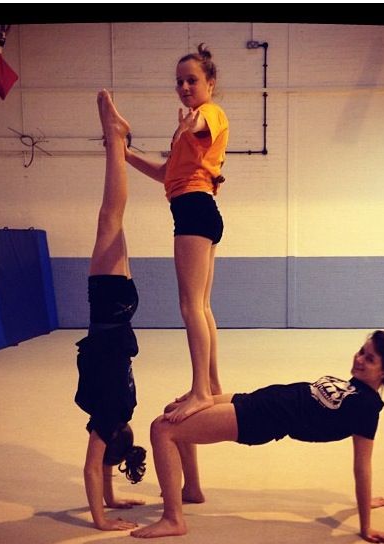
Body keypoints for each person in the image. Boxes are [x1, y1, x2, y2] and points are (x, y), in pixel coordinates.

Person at [130, 330, 384, 544]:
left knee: (163, 428)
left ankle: (173, 519)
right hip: (258, 400)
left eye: (369, 358)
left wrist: (366, 525)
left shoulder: (366, 408)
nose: (359, 359)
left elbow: (362, 466)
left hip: (261, 420)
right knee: (174, 409)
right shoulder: (355, 386)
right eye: (361, 351)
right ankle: (191, 489)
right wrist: (363, 501)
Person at [125, 44, 229, 424]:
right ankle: (211, 383)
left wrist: (192, 122)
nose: (184, 87)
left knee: (190, 307)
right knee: (200, 307)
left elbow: (204, 124)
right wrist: (126, 153)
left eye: (192, 80)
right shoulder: (185, 129)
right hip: (197, 209)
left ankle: (202, 390)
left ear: (210, 83)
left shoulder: (209, 114)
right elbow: (166, 174)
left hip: (194, 210)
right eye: (180, 82)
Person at [74, 89, 146, 531]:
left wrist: (114, 497)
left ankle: (115, 143)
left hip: (122, 312)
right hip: (107, 309)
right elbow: (90, 469)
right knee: (111, 214)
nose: (98, 457)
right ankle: (114, 139)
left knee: (116, 220)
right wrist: (101, 521)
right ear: (109, 438)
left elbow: (100, 467)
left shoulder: (122, 410)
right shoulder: (105, 416)